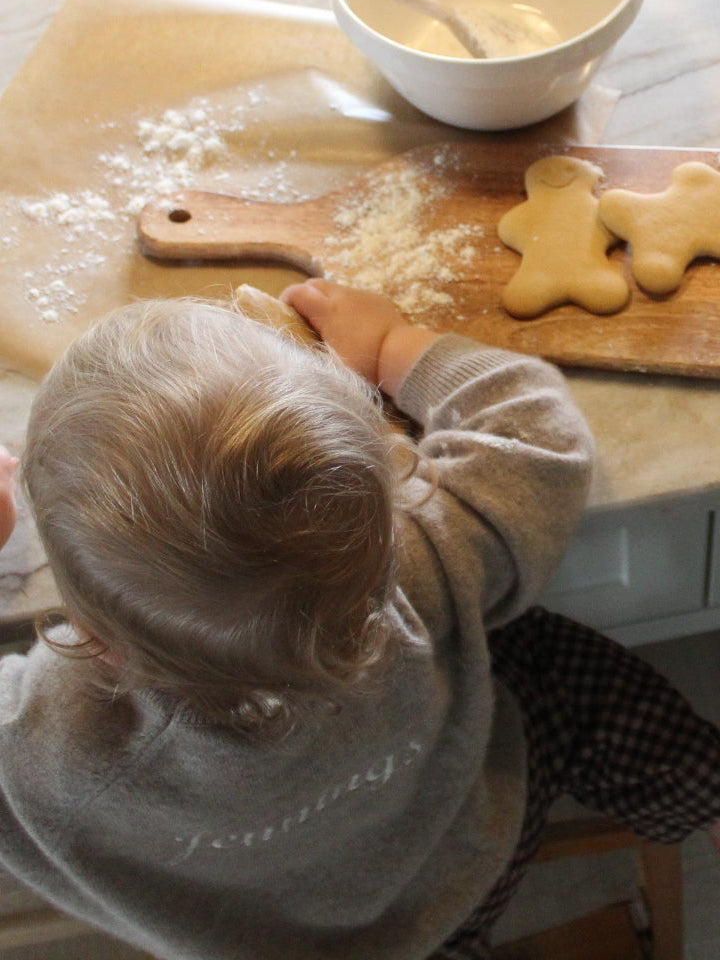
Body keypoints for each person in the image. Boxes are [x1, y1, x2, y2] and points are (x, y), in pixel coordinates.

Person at [0, 280, 718, 960]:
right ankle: (696, 788)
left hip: (276, 943)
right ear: (384, 486)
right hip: (463, 859)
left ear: (91, 630)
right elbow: (538, 439)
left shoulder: (45, 749)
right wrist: (393, 346)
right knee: (552, 662)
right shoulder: (416, 569)